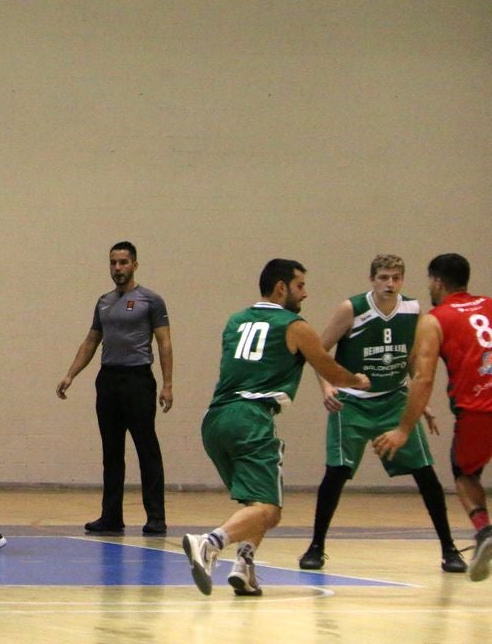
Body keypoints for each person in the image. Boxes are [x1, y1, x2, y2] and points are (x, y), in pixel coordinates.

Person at [183, 259, 370, 596]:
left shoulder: (235, 321)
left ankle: (245, 566)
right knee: (269, 510)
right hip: (250, 417)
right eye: (300, 286)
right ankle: (209, 543)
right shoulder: (294, 325)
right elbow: (329, 368)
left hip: (215, 420)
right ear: (281, 287)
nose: (306, 293)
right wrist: (357, 380)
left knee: (259, 503)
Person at [300, 255, 465, 573]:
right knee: (336, 473)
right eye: (384, 277)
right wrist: (327, 388)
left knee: (426, 474)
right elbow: (318, 352)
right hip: (353, 402)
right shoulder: (352, 309)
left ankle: (449, 549)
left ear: (403, 280)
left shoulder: (413, 310)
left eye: (396, 278)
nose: (390, 284)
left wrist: (422, 401)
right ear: (372, 279)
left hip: (394, 400)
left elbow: (413, 359)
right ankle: (316, 546)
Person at [373, 253, 492, 582]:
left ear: (437, 281)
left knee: (465, 475)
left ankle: (484, 533)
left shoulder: (435, 319)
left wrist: (403, 429)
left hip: (479, 410)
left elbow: (423, 379)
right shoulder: (490, 305)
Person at [56, 241, 173, 536]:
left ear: (134, 264)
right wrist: (71, 374)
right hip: (108, 379)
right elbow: (91, 341)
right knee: (111, 451)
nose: (118, 268)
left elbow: (164, 343)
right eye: (113, 263)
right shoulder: (104, 302)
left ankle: (156, 518)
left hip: (138, 380)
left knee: (146, 448)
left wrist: (168, 384)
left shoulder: (151, 300)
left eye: (123, 262)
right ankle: (111, 516)